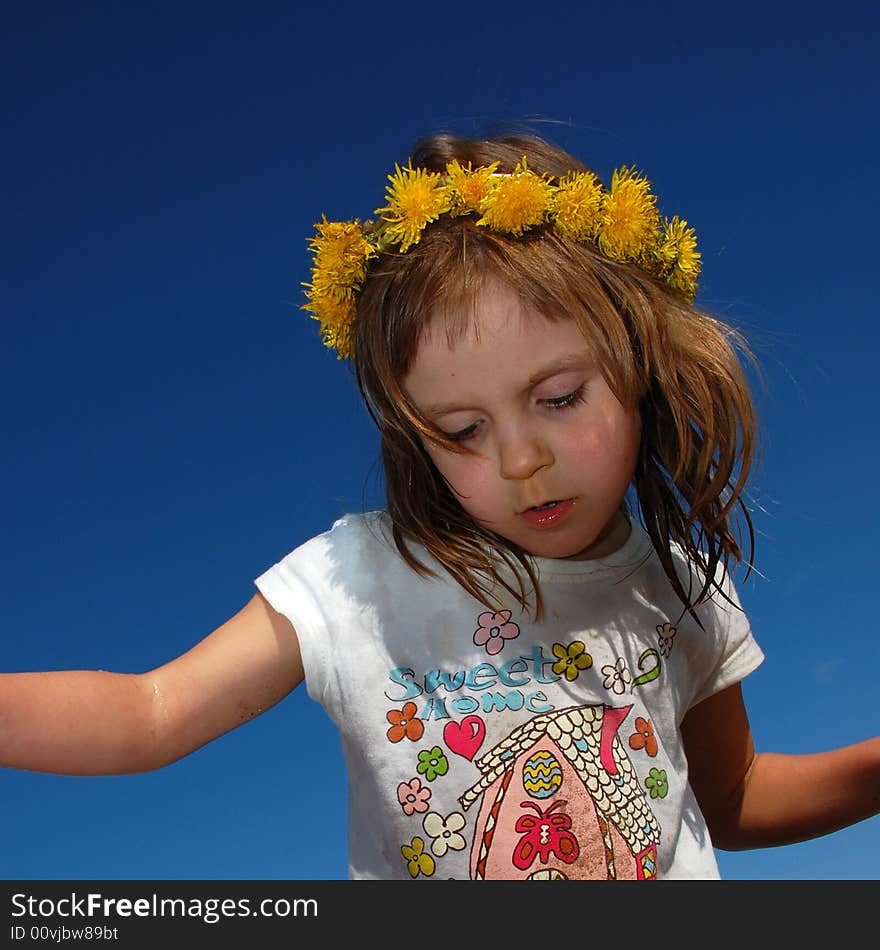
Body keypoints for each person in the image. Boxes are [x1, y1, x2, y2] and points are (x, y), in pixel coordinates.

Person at [2, 131, 878, 881]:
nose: (521, 457)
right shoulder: (359, 580)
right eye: (460, 428)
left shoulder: (681, 587)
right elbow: (150, 714)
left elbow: (732, 797)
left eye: (561, 396)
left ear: (640, 363)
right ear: (413, 438)